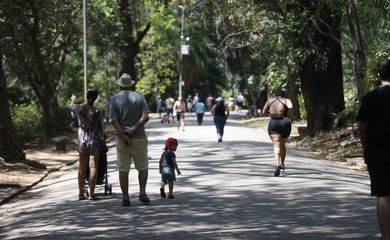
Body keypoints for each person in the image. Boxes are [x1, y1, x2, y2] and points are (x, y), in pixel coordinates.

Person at [357, 57, 390, 240]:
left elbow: (363, 126)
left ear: (378, 76)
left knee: (384, 194)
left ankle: (386, 236)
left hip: (378, 151)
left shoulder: (370, 97)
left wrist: (365, 146)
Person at [109, 73, 150, 207]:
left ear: (120, 85)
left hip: (122, 140)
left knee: (123, 168)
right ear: (131, 85)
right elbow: (145, 117)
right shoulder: (140, 97)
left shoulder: (114, 99)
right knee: (142, 166)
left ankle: (125, 197)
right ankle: (142, 192)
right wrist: (133, 130)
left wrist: (123, 135)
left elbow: (113, 120)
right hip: (139, 137)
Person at [70, 89, 104, 201]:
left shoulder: (79, 107)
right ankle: (92, 194)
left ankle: (80, 194)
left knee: (82, 167)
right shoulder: (98, 111)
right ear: (95, 98)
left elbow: (71, 106)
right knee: (93, 166)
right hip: (94, 138)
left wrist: (73, 99)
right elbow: (101, 127)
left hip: (82, 138)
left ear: (86, 96)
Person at [261, 90, 293, 177]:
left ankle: (277, 163)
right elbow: (290, 106)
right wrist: (286, 101)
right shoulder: (286, 100)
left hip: (273, 123)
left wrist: (271, 112)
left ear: (276, 95)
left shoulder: (270, 101)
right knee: (282, 145)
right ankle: (282, 164)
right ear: (284, 95)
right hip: (284, 122)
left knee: (276, 145)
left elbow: (263, 112)